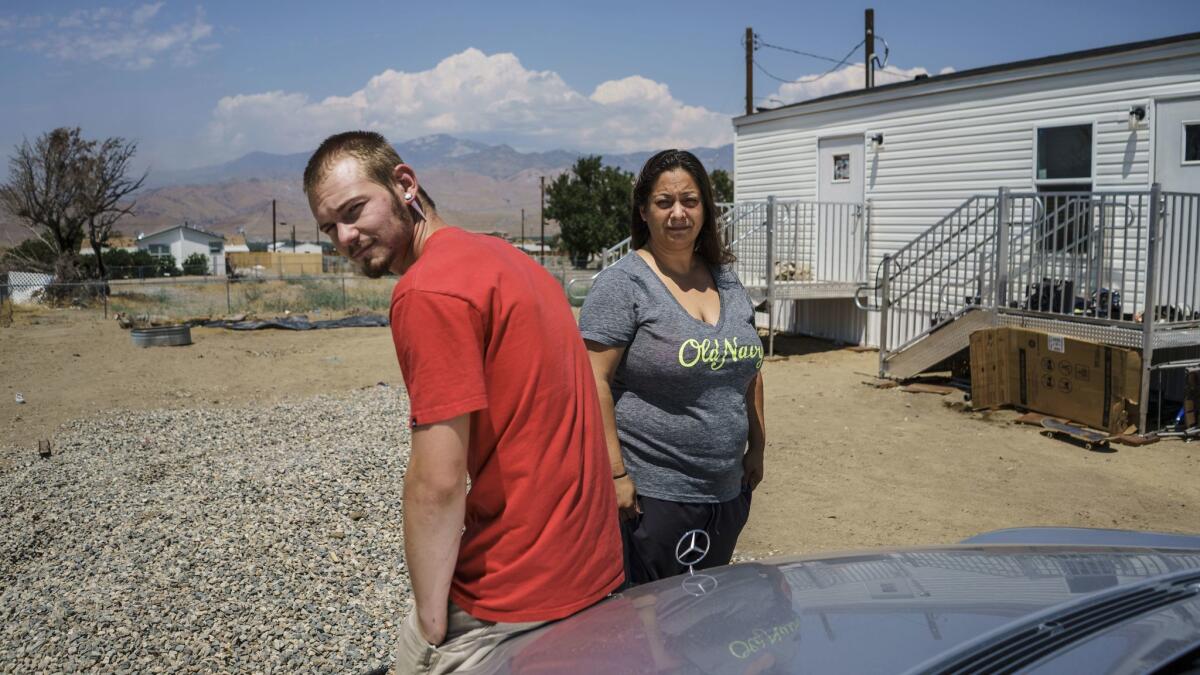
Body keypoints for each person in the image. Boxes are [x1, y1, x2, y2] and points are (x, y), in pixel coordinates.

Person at [303, 131, 623, 674]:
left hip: (512, 588)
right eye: (329, 227)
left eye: (355, 211)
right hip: (592, 566)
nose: (345, 236)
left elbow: (438, 481)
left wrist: (432, 622)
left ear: (404, 183)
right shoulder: (513, 262)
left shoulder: (429, 290)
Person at [579, 149, 766, 586]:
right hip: (653, 497)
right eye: (664, 202)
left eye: (690, 201)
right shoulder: (623, 284)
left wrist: (758, 445)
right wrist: (616, 474)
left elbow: (750, 366)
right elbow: (592, 382)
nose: (678, 213)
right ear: (644, 211)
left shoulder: (726, 280)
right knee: (652, 626)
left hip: (727, 489)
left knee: (704, 614)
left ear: (706, 209)